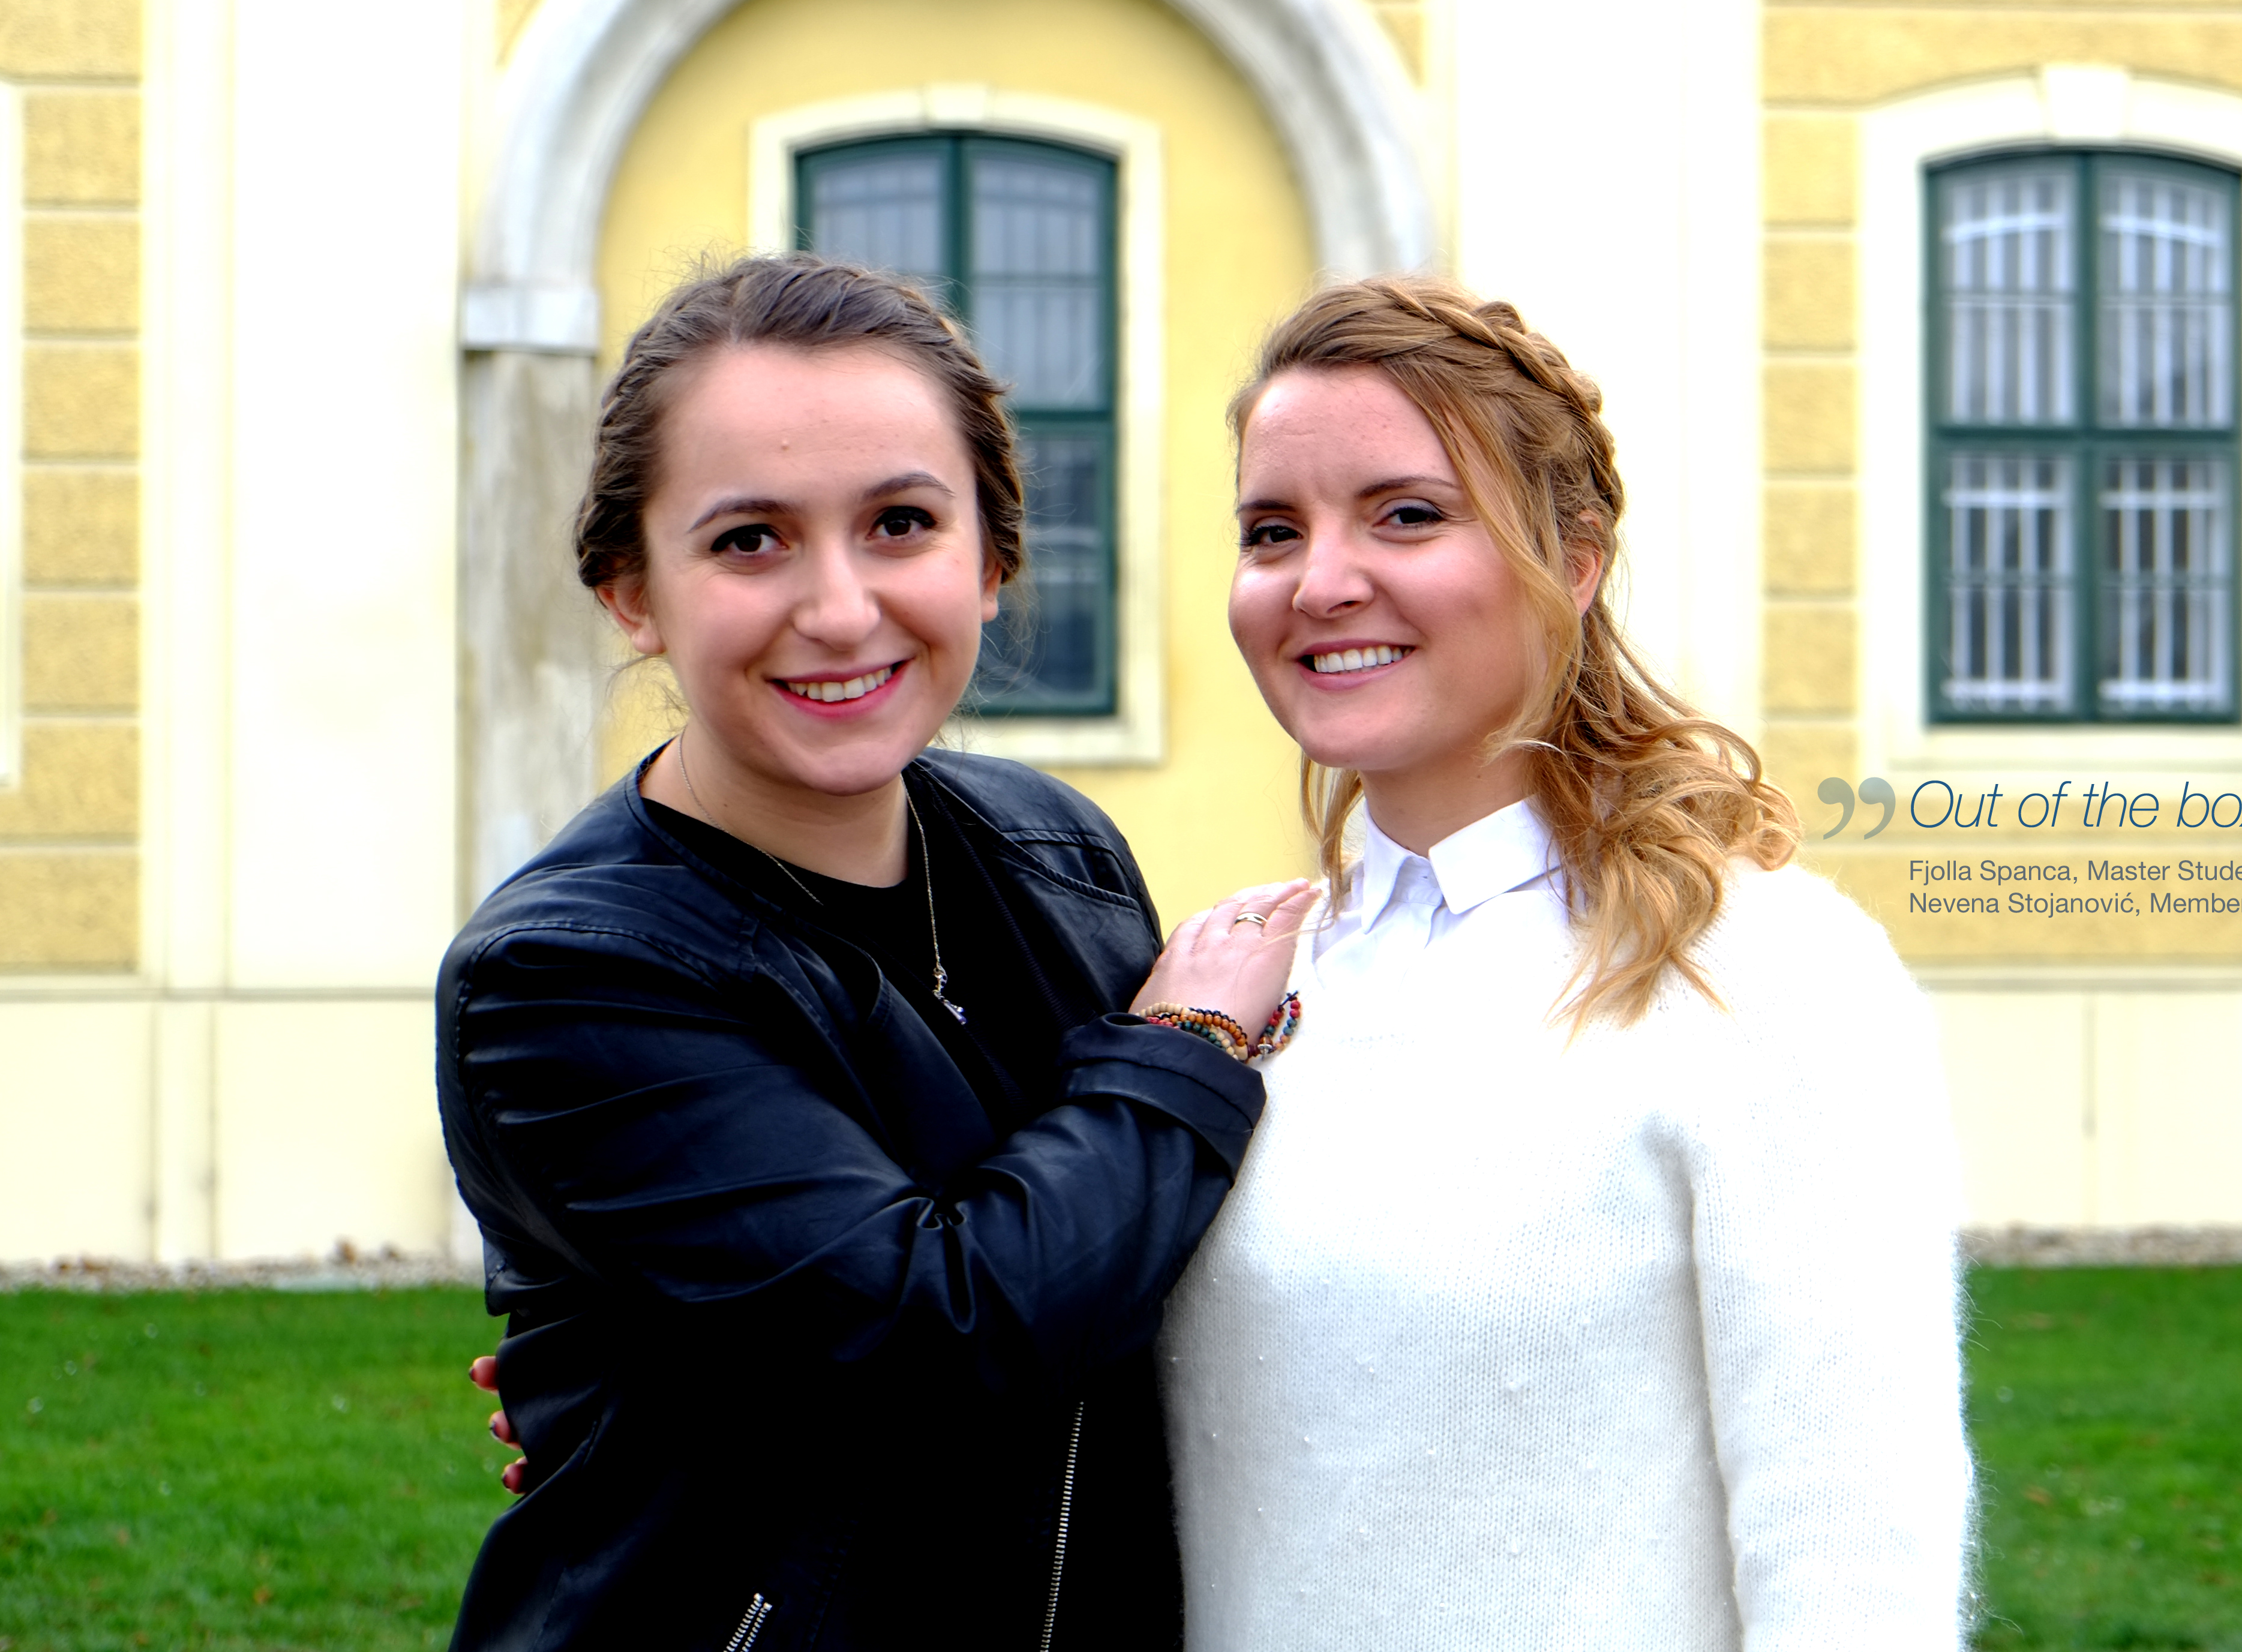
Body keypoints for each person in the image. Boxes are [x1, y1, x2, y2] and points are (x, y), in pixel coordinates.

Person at [436, 254, 1312, 1651]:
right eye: (750, 541)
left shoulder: (1058, 854)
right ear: (631, 589)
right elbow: (937, 1338)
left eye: (901, 524)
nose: (841, 608)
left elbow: (1140, 1258)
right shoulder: (564, 974)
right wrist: (1186, 1047)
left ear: (992, 559)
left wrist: (650, 1386)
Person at [1155, 276, 1973, 1649]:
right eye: (1272, 530)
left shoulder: (1768, 976)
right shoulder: (1237, 982)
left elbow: (1852, 1566)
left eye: (1407, 515)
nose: (1322, 581)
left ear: (1575, 561)